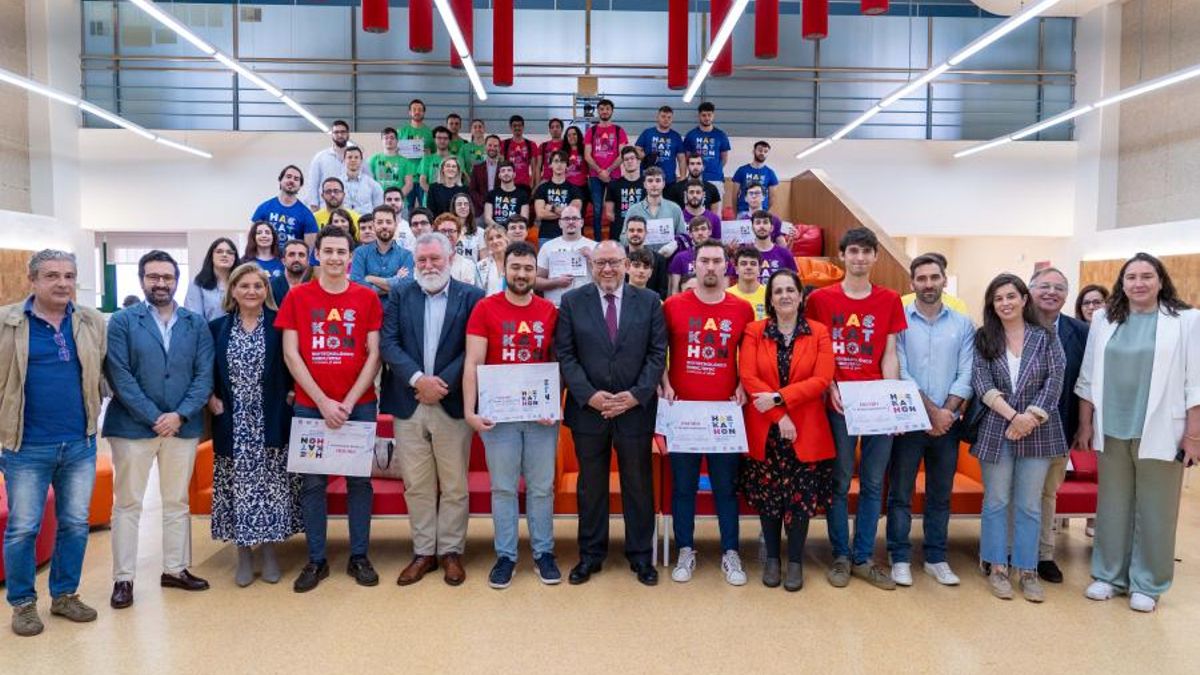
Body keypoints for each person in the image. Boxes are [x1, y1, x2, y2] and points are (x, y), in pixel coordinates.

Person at [1075, 253, 1199, 613]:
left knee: (1156, 509)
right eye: (1131, 277)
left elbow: (1197, 383)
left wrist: (1194, 436)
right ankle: (1109, 576)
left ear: (1161, 281)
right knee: (1112, 505)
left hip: (1163, 429)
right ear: (1122, 283)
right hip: (1112, 427)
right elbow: (1087, 377)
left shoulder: (1186, 321)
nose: (1139, 283)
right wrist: (1085, 424)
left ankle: (1148, 582)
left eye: (1147, 276)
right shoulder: (1104, 318)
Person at [1, 250, 106, 636]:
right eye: (52, 276)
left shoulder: (90, 321)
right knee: (24, 528)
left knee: (75, 524)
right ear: (33, 280)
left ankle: (64, 595)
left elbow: (101, 373)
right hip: (25, 446)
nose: (62, 283)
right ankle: (23, 604)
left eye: (69, 276)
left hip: (79, 442)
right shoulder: (8, 321)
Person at [275, 226, 384, 593]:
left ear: (350, 258)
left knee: (359, 483)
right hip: (309, 407)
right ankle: (316, 560)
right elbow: (291, 354)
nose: (336, 258)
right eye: (329, 251)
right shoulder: (298, 297)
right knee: (313, 484)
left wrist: (350, 401)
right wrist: (322, 401)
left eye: (342, 252)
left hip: (360, 405)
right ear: (316, 254)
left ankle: (359, 556)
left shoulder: (366, 298)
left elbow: (374, 354)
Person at [105, 250, 215, 610]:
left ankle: (175, 569)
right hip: (133, 428)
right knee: (129, 503)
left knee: (176, 502)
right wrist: (155, 416)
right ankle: (123, 579)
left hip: (181, 428)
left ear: (177, 280)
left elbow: (204, 375)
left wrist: (180, 415)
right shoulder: (122, 321)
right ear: (142, 280)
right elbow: (119, 375)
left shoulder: (194, 323)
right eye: (154, 277)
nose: (161, 283)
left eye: (167, 277)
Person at [556, 241, 666, 586]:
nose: (607, 269)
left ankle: (640, 556)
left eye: (614, 262)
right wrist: (589, 396)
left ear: (627, 264)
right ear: (591, 266)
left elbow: (656, 353)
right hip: (589, 411)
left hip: (635, 411)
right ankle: (590, 555)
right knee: (592, 486)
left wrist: (635, 396)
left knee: (637, 484)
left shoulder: (649, 302)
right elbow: (566, 355)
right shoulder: (572, 302)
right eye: (600, 262)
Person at [804, 227, 906, 591]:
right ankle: (841, 556)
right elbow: (816, 350)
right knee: (840, 480)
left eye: (867, 252)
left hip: (876, 401)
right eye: (853, 252)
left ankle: (864, 556)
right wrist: (829, 385)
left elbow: (890, 352)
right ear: (842, 255)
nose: (860, 258)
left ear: (876, 256)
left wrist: (893, 400)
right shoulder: (820, 299)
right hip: (838, 402)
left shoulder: (890, 299)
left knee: (874, 482)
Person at [380, 232, 485, 587]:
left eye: (434, 259)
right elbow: (389, 343)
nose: (428, 265)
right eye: (421, 259)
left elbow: (473, 352)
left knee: (455, 485)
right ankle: (424, 551)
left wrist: (440, 384)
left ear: (450, 256)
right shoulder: (399, 293)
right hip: (408, 403)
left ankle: (451, 552)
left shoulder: (472, 297)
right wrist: (416, 379)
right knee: (417, 484)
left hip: (451, 401)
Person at [463, 241, 562, 589]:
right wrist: (469, 411)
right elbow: (473, 362)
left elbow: (558, 364)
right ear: (504, 269)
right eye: (516, 267)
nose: (522, 274)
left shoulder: (550, 312)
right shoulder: (485, 309)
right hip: (498, 417)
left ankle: (543, 552)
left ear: (537, 272)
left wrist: (554, 406)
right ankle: (505, 555)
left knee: (541, 489)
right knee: (503, 488)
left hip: (540, 419)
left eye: (528, 268)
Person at [661, 239, 755, 586]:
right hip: (683, 411)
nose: (711, 267)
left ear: (726, 267)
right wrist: (663, 381)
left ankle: (731, 552)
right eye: (705, 261)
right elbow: (659, 352)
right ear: (694, 266)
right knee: (683, 487)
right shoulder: (672, 306)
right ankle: (685, 548)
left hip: (724, 414)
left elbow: (750, 354)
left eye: (717, 261)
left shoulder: (741, 310)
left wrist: (744, 383)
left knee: (725, 488)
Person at [971, 273, 1066, 603]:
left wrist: (1031, 418)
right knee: (996, 501)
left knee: (1028, 504)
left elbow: (1055, 381)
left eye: (1011, 296)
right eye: (998, 298)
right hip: (998, 428)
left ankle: (1028, 570)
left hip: (1040, 428)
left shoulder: (1046, 336)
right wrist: (1014, 418)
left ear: (1024, 299)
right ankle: (997, 567)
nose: (1005, 303)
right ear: (991, 305)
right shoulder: (984, 337)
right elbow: (982, 384)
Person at [738, 269, 835, 592]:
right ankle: (772, 559)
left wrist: (780, 398)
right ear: (770, 300)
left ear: (800, 295)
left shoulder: (819, 332)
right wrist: (780, 416)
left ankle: (794, 560)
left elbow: (821, 379)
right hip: (767, 427)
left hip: (805, 429)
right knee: (769, 498)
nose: (784, 296)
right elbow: (749, 377)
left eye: (790, 290)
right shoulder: (754, 330)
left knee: (800, 498)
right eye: (777, 291)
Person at [207, 263, 300, 588]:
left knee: (271, 490)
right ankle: (244, 553)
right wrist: (209, 397)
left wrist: (291, 393)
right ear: (233, 290)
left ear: (266, 291)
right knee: (238, 489)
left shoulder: (279, 325)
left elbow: (293, 364)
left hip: (269, 417)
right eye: (244, 285)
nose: (251, 291)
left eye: (257, 286)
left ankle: (271, 551)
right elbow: (204, 369)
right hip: (233, 419)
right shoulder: (217, 328)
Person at [886, 254, 975, 588]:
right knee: (901, 493)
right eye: (921, 279)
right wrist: (929, 413)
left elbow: (967, 371)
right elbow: (901, 369)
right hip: (910, 422)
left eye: (933, 278)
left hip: (947, 425)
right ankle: (899, 557)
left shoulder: (963, 323)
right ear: (912, 283)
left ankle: (936, 557)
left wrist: (946, 413)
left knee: (941, 494)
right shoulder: (900, 320)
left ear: (944, 280)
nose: (927, 284)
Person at [1027, 266, 1089, 584]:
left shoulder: (1080, 332)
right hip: (1016, 428)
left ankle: (1043, 555)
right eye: (1044, 286)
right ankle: (1008, 552)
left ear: (1067, 295)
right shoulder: (1014, 325)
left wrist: (1083, 425)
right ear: (1030, 290)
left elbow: (1086, 383)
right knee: (1014, 494)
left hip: (1059, 428)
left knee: (1047, 493)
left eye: (1059, 288)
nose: (1051, 292)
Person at [584, 99, 629, 236]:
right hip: (595, 176)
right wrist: (599, 171)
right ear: (598, 111)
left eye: (607, 108)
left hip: (614, 176)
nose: (604, 111)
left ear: (612, 111)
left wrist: (608, 171)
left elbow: (623, 154)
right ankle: (597, 241)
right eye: (602, 109)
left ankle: (615, 238)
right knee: (597, 209)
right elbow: (587, 155)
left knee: (615, 208)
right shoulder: (591, 131)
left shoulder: (618, 130)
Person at [536, 204, 596, 307]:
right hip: (556, 307)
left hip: (587, 307)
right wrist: (556, 282)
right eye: (566, 218)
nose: (571, 222)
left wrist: (592, 258)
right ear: (560, 223)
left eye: (575, 218)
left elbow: (606, 279)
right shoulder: (548, 247)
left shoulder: (595, 247)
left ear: (581, 222)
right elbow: (535, 282)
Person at [350, 205, 415, 298]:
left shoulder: (406, 255)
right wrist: (395, 280)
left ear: (395, 225)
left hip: (396, 310)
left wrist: (371, 278)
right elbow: (356, 285)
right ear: (373, 225)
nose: (384, 226)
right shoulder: (360, 253)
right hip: (368, 309)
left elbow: (405, 287)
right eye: (380, 222)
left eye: (388, 222)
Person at [251, 165, 319, 253]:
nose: (292, 181)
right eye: (288, 177)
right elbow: (252, 239)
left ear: (300, 185)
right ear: (280, 180)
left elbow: (309, 251)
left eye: (296, 179)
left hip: (291, 264)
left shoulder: (307, 215)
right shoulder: (264, 208)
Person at [622, 167, 685, 254]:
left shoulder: (675, 209)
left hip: (669, 261)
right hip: (641, 261)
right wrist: (636, 239)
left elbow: (683, 237)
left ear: (663, 184)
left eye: (658, 181)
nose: (654, 184)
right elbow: (623, 238)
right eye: (650, 181)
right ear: (644, 184)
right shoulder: (633, 210)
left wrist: (673, 245)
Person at [533, 151, 584, 246]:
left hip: (569, 237)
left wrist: (552, 208)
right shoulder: (542, 188)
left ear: (567, 166)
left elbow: (574, 214)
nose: (559, 165)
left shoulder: (575, 189)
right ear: (550, 165)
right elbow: (540, 214)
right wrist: (566, 213)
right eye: (556, 161)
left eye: (563, 162)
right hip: (546, 236)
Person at [682, 102, 731, 199]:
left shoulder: (721, 135)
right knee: (692, 209)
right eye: (704, 115)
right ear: (699, 116)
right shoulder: (691, 135)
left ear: (713, 116)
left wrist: (715, 170)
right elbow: (687, 157)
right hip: (695, 179)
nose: (707, 118)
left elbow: (724, 158)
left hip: (715, 179)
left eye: (709, 115)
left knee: (715, 212)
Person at [185, 237, 239, 322]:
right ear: (211, 256)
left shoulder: (242, 283)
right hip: (208, 334)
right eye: (219, 251)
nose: (224, 255)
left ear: (234, 258)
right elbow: (195, 320)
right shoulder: (198, 284)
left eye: (230, 252)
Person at [900, 252, 970, 315]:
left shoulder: (957, 304)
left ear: (944, 278)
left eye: (935, 277)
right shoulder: (902, 302)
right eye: (922, 278)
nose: (929, 284)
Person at [304, 120, 351, 209]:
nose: (340, 135)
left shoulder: (357, 157)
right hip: (325, 208)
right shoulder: (320, 157)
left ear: (348, 134)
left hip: (350, 208)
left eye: (343, 132)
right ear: (332, 135)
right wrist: (314, 206)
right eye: (336, 132)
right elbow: (313, 184)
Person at [602, 146, 645, 242]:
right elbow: (609, 213)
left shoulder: (646, 183)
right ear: (623, 164)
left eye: (632, 158)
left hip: (642, 230)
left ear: (638, 161)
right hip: (619, 231)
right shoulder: (613, 184)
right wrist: (624, 225)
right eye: (626, 159)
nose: (629, 161)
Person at [398, 100, 434, 209]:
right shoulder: (401, 132)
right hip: (406, 177)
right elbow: (395, 152)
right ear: (409, 112)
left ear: (424, 113)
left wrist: (427, 153)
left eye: (420, 110)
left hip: (423, 177)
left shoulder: (430, 133)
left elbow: (433, 154)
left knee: (424, 208)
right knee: (405, 209)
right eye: (414, 109)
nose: (417, 112)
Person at [635, 105, 686, 184]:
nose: (666, 119)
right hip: (648, 180)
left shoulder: (676, 136)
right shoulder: (647, 133)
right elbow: (637, 149)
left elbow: (682, 159)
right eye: (663, 116)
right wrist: (645, 157)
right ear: (657, 117)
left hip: (669, 181)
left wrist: (683, 178)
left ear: (672, 119)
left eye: (669, 117)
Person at [623, 215, 669, 300]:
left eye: (639, 230)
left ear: (646, 233)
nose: (635, 233)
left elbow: (662, 291)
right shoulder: (618, 258)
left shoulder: (659, 260)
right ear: (626, 233)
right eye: (631, 230)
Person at [667, 216, 715, 295]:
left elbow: (724, 288)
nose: (700, 233)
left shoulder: (719, 257)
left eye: (703, 229)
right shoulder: (680, 258)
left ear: (710, 232)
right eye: (696, 230)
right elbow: (674, 291)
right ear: (690, 234)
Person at [747, 209, 797, 284]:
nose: (761, 226)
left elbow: (794, 282)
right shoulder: (746, 254)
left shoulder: (785, 253)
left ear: (771, 228)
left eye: (765, 222)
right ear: (752, 228)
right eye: (758, 223)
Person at [432, 213, 481, 287]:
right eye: (443, 231)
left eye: (451, 231)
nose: (447, 235)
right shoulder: (427, 263)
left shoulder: (468, 265)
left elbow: (466, 292)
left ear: (458, 234)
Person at [731, 141, 780, 215]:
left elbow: (772, 197)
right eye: (760, 150)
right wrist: (735, 213)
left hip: (762, 211)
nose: (762, 153)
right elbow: (734, 194)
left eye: (765, 151)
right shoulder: (741, 170)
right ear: (754, 151)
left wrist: (766, 210)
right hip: (743, 211)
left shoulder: (770, 173)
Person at [484, 160, 530, 231]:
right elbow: (487, 218)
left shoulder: (522, 194)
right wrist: (500, 229)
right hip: (497, 232)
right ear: (499, 175)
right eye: (503, 171)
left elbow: (524, 218)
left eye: (509, 170)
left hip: (515, 232)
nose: (506, 173)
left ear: (514, 174)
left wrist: (512, 229)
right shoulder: (492, 194)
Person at [341, 146, 385, 215]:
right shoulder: (337, 184)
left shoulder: (373, 184)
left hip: (365, 224)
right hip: (343, 223)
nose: (353, 160)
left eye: (356, 157)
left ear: (361, 160)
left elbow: (379, 210)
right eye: (349, 157)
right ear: (344, 160)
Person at [418, 126, 459, 199]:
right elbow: (422, 182)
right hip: (430, 199)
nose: (442, 141)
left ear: (449, 140)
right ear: (434, 139)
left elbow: (459, 181)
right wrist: (435, 194)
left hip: (451, 199)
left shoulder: (457, 159)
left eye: (445, 138)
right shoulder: (427, 159)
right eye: (439, 138)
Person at [726, 247, 766, 320]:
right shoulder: (726, 296)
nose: (748, 267)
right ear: (736, 269)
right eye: (744, 264)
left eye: (753, 264)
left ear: (759, 269)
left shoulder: (769, 295)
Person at [270, 239, 311, 308]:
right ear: (283, 261)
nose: (296, 259)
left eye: (301, 255)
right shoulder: (272, 288)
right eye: (291, 255)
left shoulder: (316, 287)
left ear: (308, 261)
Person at [469, 135, 503, 215]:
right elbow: (472, 190)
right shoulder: (477, 168)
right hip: (480, 210)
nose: (492, 148)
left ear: (499, 148)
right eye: (490, 145)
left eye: (495, 146)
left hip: (499, 209)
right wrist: (483, 202)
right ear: (485, 147)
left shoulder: (504, 168)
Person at [503, 115, 539, 189]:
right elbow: (500, 166)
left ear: (523, 127)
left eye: (519, 125)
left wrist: (532, 185)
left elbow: (534, 168)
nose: (517, 128)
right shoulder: (504, 144)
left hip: (525, 185)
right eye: (514, 126)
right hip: (508, 184)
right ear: (510, 127)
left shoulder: (531, 145)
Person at [369, 127, 405, 194]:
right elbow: (369, 181)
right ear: (382, 140)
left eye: (392, 138)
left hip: (398, 201)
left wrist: (397, 197)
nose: (389, 140)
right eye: (386, 138)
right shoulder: (373, 159)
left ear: (397, 141)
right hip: (378, 201)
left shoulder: (405, 161)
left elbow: (409, 184)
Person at [477, 224, 509, 296]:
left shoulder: (516, 263)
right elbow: (478, 293)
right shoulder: (480, 266)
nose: (495, 241)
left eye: (499, 236)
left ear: (506, 238)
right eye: (490, 239)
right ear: (487, 243)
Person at [451, 193, 484, 261]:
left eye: (466, 204)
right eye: (459, 204)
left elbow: (484, 260)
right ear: (454, 208)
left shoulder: (480, 232)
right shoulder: (448, 231)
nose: (463, 206)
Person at [538, 118, 566, 183]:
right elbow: (538, 167)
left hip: (563, 181)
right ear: (550, 130)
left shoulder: (567, 145)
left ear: (562, 129)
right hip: (546, 180)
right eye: (552, 127)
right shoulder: (543, 146)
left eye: (557, 127)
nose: (555, 129)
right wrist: (538, 182)